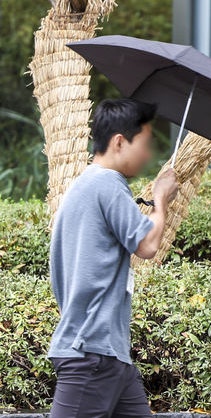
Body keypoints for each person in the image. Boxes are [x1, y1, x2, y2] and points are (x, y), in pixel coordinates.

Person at [47, 99, 178, 418]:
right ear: (120, 141)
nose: (148, 155)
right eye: (145, 143)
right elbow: (147, 245)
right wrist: (161, 198)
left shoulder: (86, 185)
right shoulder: (108, 184)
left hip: (111, 356)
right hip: (91, 353)